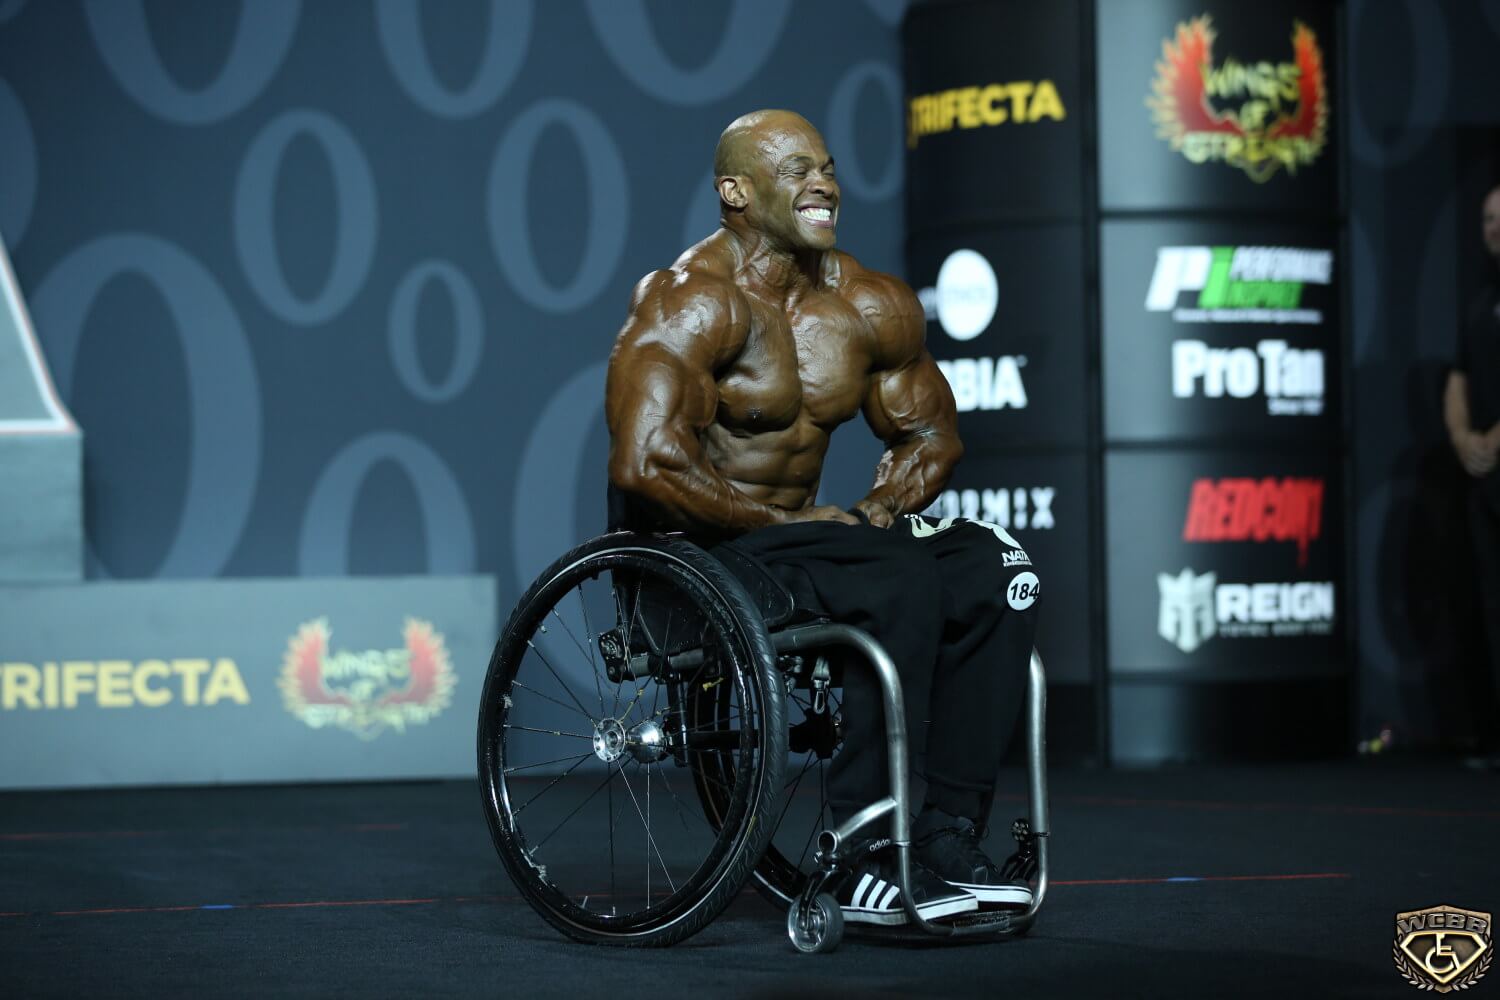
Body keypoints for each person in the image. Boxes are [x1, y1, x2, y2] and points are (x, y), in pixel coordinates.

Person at [604, 110, 1040, 927]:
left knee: (998, 568)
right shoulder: (692, 301)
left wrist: (879, 507)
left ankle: (945, 833)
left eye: (828, 168)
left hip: (808, 546)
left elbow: (931, 434)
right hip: (695, 554)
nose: (824, 184)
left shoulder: (867, 304)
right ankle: (860, 852)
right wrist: (778, 523)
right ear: (736, 192)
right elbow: (647, 464)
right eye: (797, 169)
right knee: (892, 574)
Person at [1446, 182, 1500, 764]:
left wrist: (1495, 437)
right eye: (1487, 218)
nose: (1494, 228)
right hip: (1486, 480)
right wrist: (1464, 437)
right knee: (1490, 605)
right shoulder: (1480, 302)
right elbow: (1457, 378)